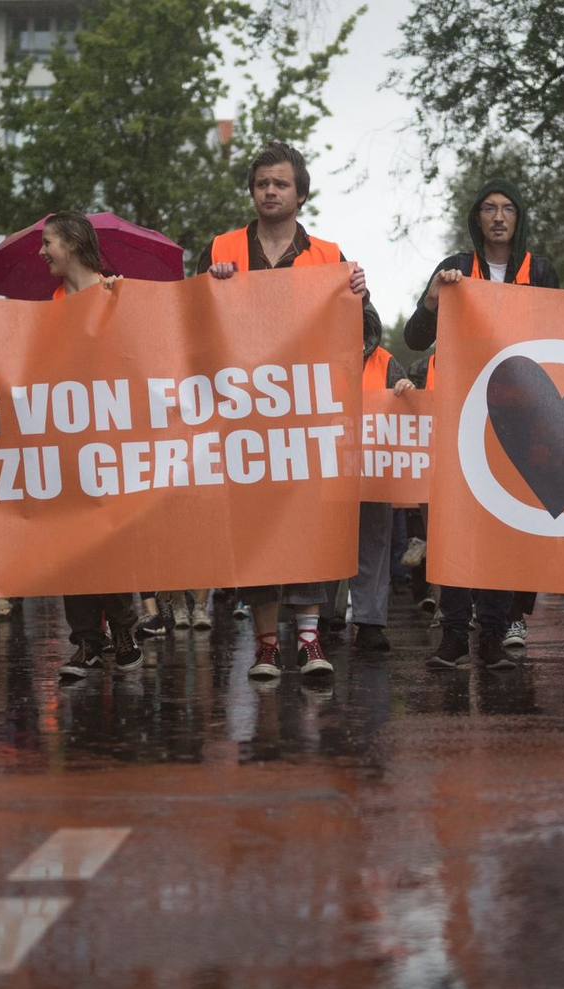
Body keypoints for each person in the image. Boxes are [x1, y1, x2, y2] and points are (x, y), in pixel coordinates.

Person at [202, 141, 376, 682]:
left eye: (281, 183)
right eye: (262, 183)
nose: (270, 191)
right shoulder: (222, 248)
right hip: (246, 413)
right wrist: (210, 287)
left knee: (307, 521)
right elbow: (193, 326)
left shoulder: (329, 255)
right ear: (252, 191)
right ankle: (267, 646)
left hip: (307, 414)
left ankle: (308, 639)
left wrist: (360, 295)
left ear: (301, 193)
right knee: (254, 527)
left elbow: (365, 333)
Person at [404, 178, 560, 670]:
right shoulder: (453, 268)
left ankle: (492, 634)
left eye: (507, 209)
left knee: (501, 525)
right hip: (461, 412)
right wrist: (432, 301)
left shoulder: (542, 270)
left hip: (520, 414)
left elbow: (561, 334)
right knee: (455, 525)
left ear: (519, 218)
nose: (498, 217)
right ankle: (453, 633)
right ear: (476, 218)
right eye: (488, 209)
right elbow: (414, 337)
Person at [38, 211, 142, 681]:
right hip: (68, 439)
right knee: (72, 541)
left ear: (74, 245)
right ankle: (86, 641)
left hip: (115, 437)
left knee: (112, 534)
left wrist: (116, 305)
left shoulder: (118, 292)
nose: (43, 252)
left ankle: (123, 628)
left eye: (48, 243)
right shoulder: (53, 303)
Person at [353, 342, 415, 652]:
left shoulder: (385, 362)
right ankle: (318, 622)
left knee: (375, 545)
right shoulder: (318, 348)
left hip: (374, 470)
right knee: (323, 546)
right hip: (327, 468)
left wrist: (407, 388)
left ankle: (370, 623)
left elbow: (409, 405)